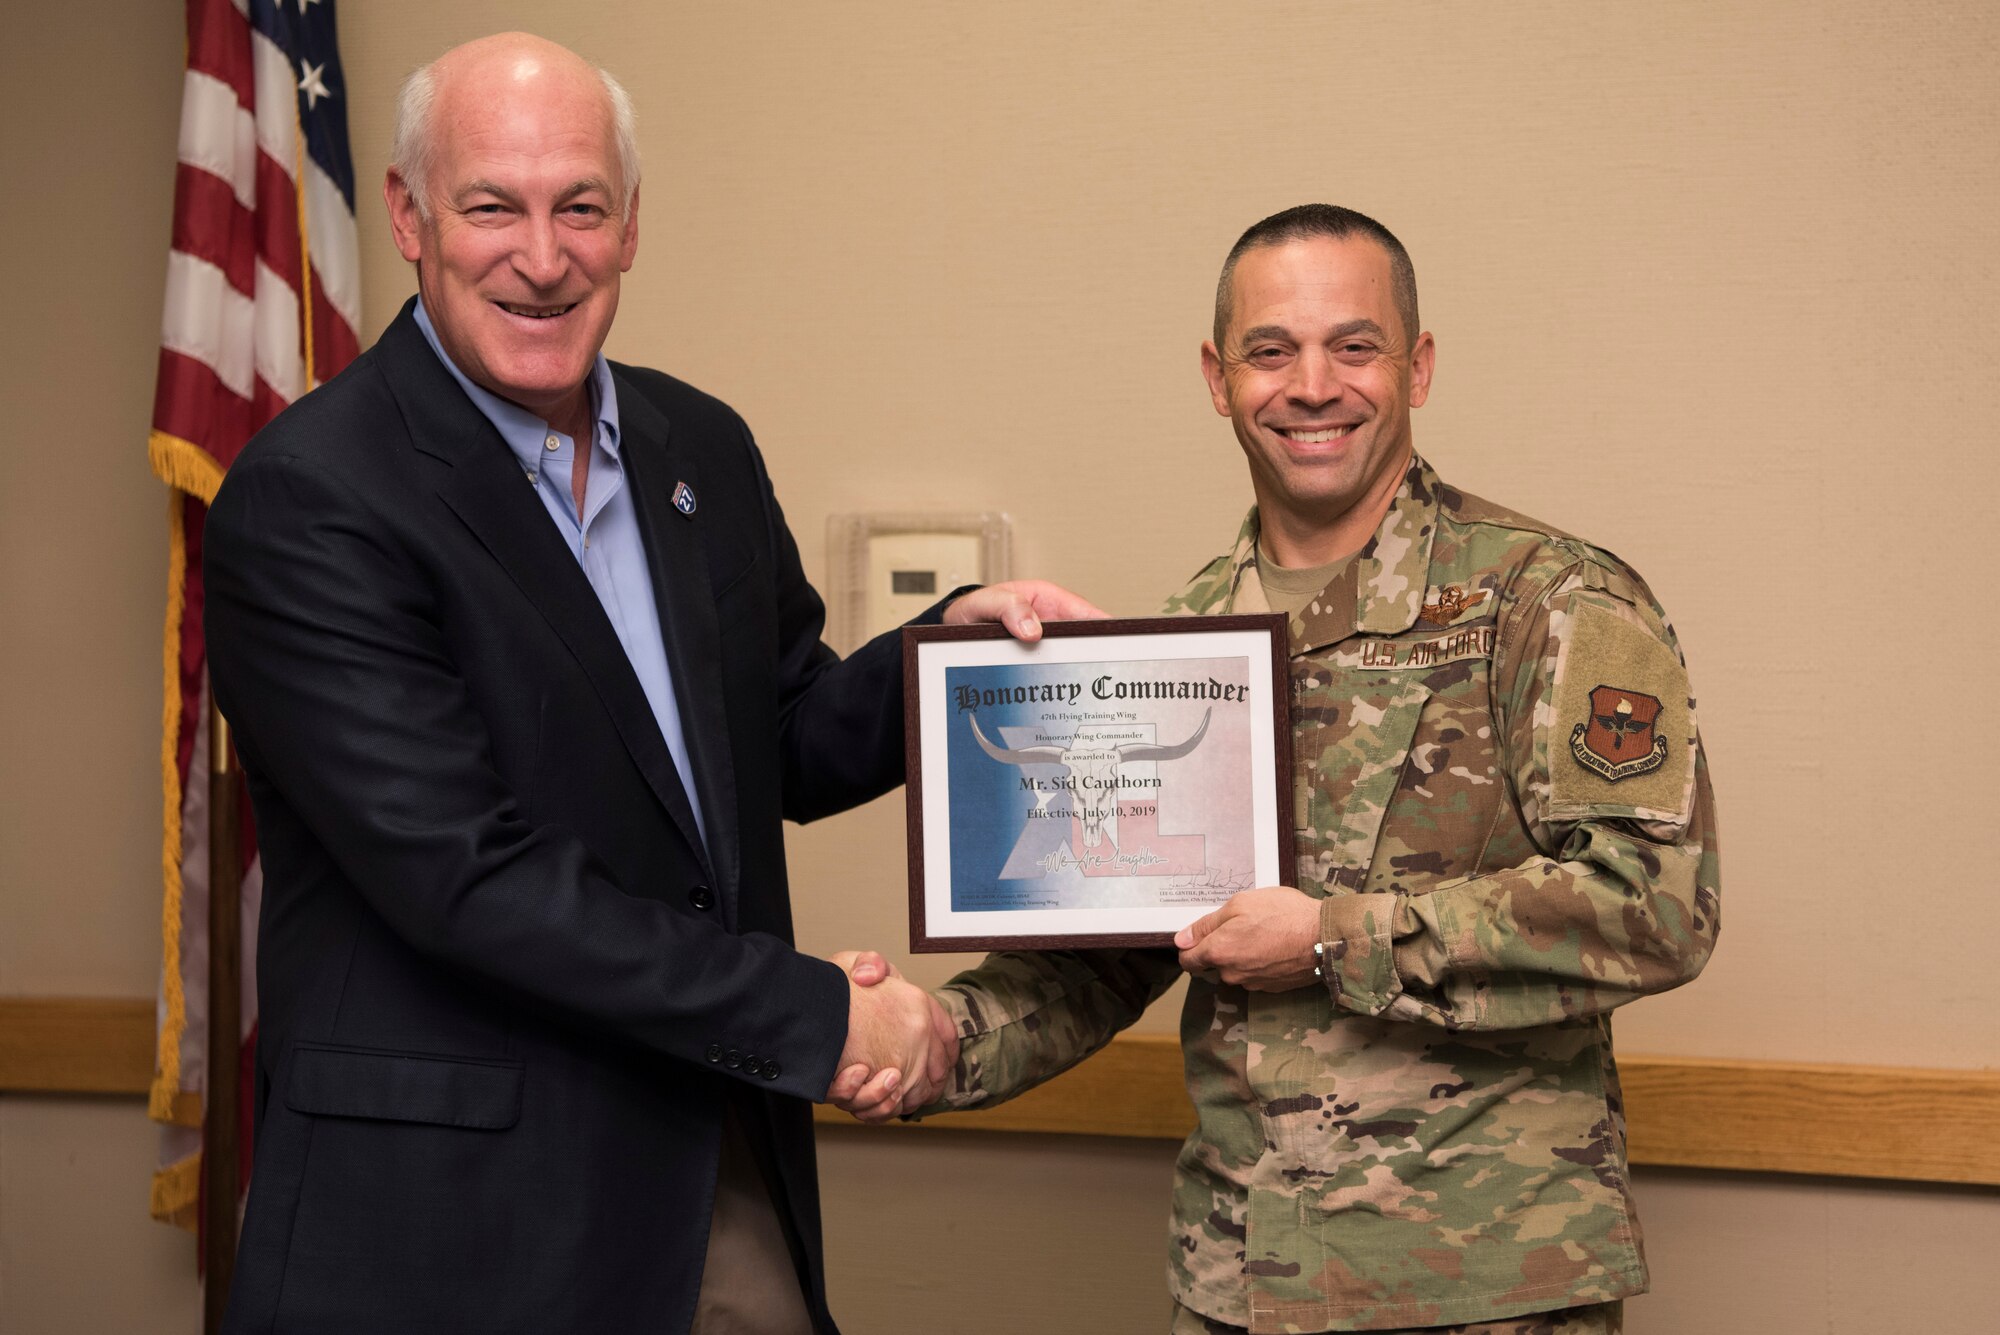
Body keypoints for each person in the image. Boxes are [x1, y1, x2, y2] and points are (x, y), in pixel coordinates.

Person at [203, 33, 1092, 1334]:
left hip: (707, 1162)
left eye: (582, 206)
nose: (543, 255)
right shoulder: (314, 496)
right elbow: (468, 876)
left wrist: (950, 656)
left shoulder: (700, 447)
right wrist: (820, 1011)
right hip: (448, 1216)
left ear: (631, 229)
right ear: (407, 214)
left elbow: (776, 736)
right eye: (492, 205)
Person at [848, 206, 1720, 1334]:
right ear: (1218, 378)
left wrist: (1325, 936)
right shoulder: (1184, 645)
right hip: (1237, 1282)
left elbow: (1655, 905)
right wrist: (934, 1042)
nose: (1312, 385)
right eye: (1270, 350)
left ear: (1418, 365)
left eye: (1353, 345)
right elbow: (1109, 954)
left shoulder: (1550, 602)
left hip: (1482, 1287)